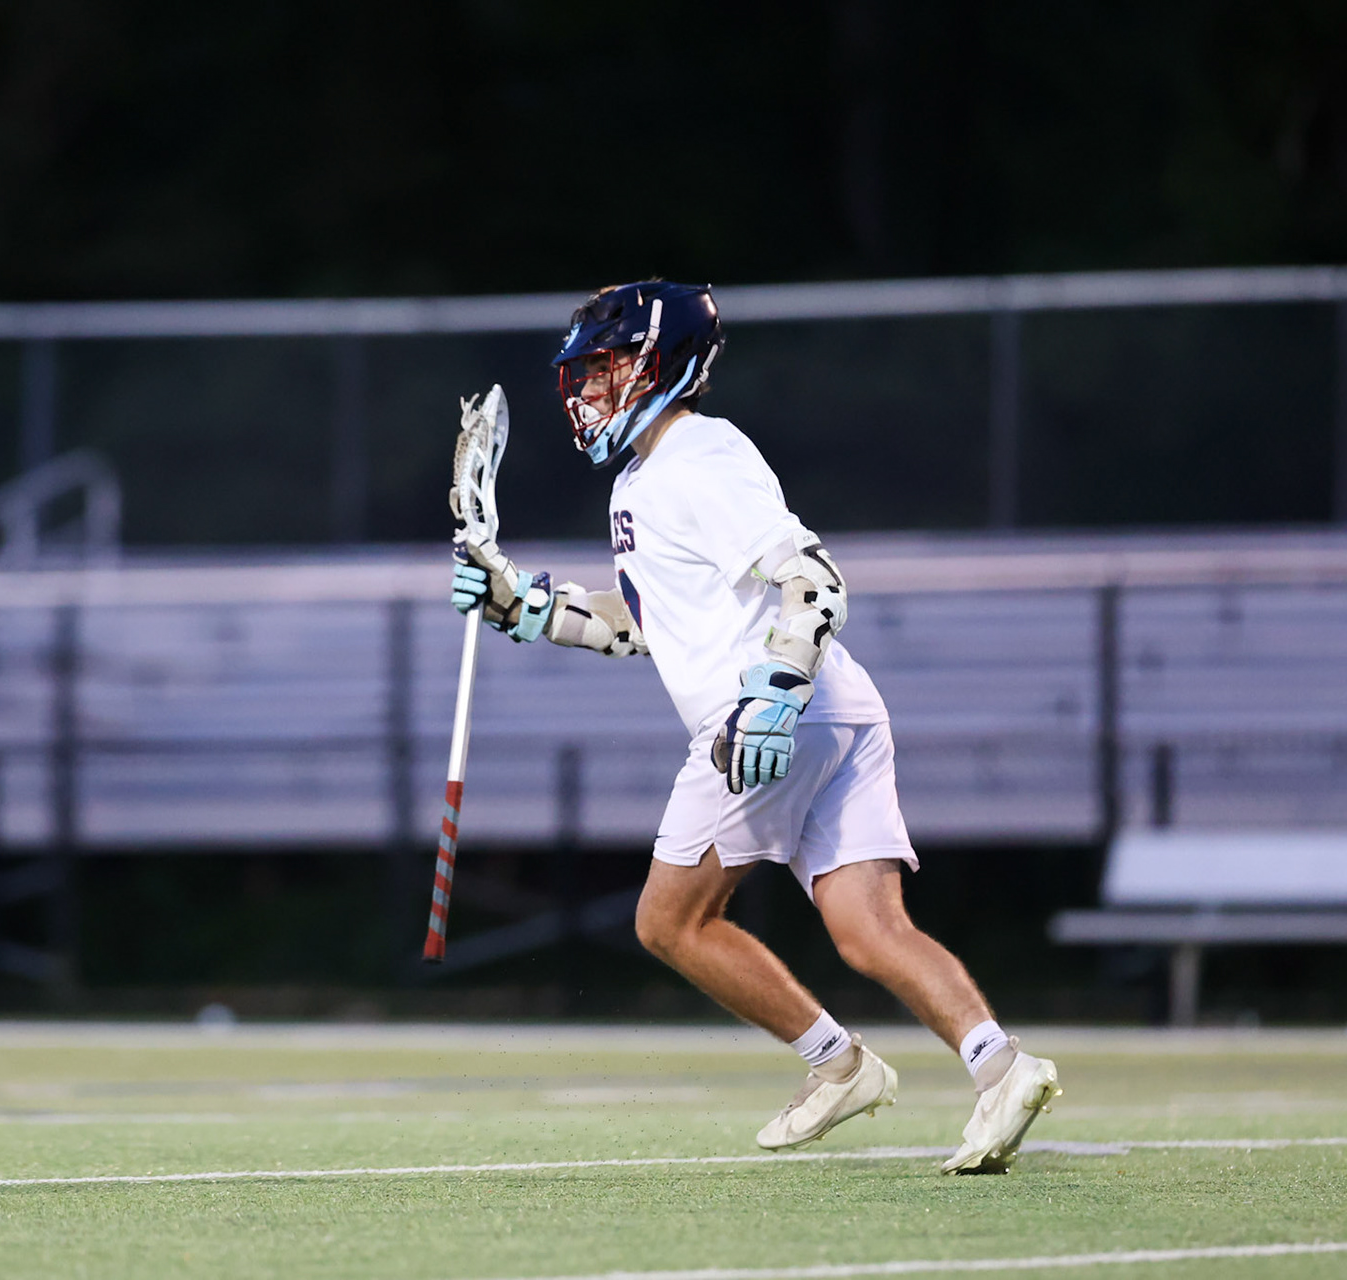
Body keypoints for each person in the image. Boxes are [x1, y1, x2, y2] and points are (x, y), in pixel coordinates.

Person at [450, 280, 1060, 1173]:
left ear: (660, 364)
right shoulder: (647, 477)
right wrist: (526, 605)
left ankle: (839, 1065)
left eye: (608, 366)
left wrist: (773, 694)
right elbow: (644, 623)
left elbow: (813, 578)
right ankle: (1001, 1068)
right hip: (837, 709)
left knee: (670, 922)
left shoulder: (700, 454)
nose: (589, 388)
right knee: (868, 928)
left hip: (770, 710)